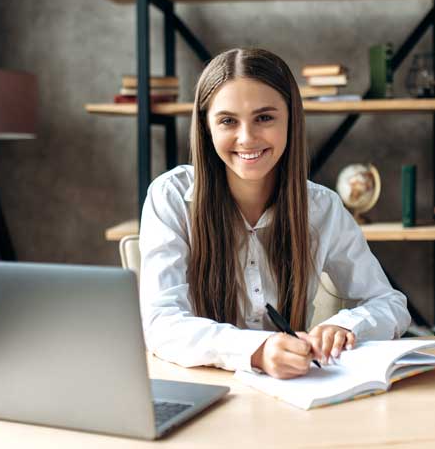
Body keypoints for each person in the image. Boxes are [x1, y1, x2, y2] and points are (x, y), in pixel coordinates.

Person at [139, 48, 410, 380]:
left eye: (264, 118)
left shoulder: (322, 208)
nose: (247, 138)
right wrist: (256, 351)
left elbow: (389, 303)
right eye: (227, 121)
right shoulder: (170, 197)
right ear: (207, 127)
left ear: (291, 120)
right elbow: (160, 323)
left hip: (293, 389)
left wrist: (346, 325)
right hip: (204, 385)